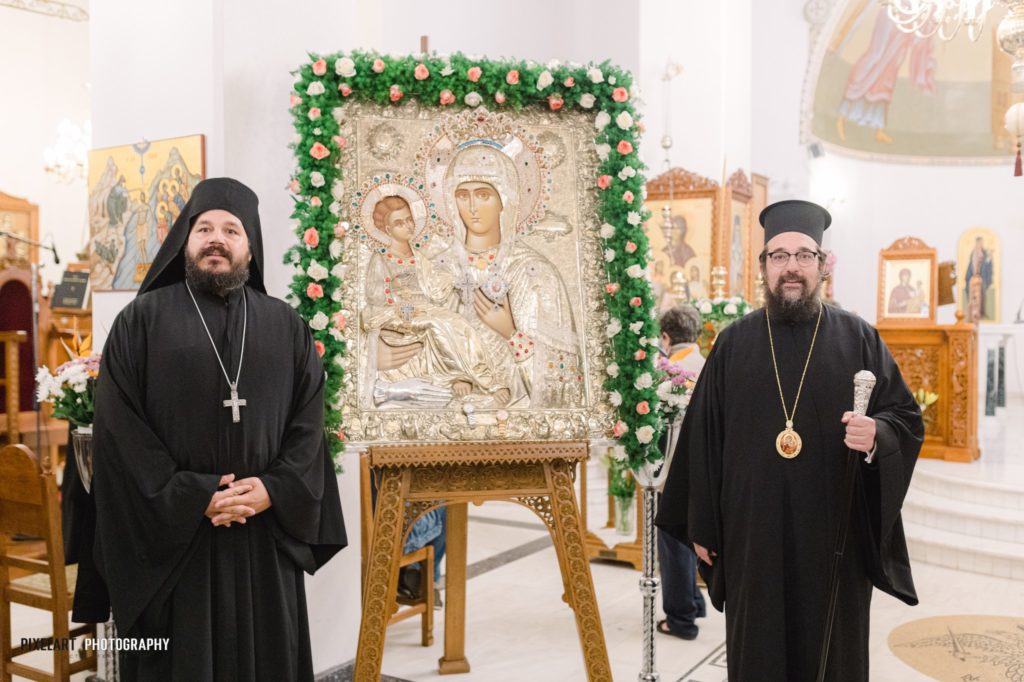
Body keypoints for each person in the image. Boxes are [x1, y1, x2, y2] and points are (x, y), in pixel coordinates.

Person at [656, 199, 923, 681]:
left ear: (822, 264)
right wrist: (702, 525)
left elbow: (903, 416)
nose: (792, 267)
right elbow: (703, 440)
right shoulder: (734, 343)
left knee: (832, 655)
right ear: (763, 266)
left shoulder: (858, 337)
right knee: (758, 653)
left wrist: (877, 434)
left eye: (804, 255)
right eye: (779, 256)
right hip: (752, 538)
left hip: (834, 537)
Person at [93, 177, 347, 681]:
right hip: (176, 543)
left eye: (231, 230)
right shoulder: (140, 322)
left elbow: (308, 425)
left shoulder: (287, 326)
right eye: (204, 228)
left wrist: (275, 489)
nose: (217, 239)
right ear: (184, 241)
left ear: (250, 246)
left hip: (264, 538)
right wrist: (191, 496)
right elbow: (120, 432)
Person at [362, 194, 511, 407]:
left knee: (460, 324)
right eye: (399, 223)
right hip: (398, 314)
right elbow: (376, 298)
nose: (408, 226)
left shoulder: (418, 257)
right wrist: (400, 309)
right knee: (436, 325)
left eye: (409, 219)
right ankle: (464, 378)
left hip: (425, 309)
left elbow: (434, 286)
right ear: (388, 230)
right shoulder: (381, 259)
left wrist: (454, 277)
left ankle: (483, 379)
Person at [655, 304, 706, 641]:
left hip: (673, 470)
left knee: (673, 543)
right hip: (701, 469)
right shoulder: (707, 363)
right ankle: (694, 602)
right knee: (689, 536)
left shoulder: (669, 371)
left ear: (666, 337)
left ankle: (681, 618)